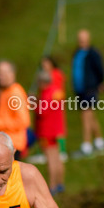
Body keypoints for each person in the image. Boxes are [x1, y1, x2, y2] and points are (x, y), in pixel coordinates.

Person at [0, 61, 31, 160]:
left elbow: (23, 121)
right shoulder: (5, 91)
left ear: (11, 74)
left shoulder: (15, 94)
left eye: (2, 73)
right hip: (3, 143)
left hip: (11, 144)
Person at [71, 29, 104, 157]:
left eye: (84, 39)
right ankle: (99, 141)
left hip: (90, 88)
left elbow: (100, 69)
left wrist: (100, 82)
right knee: (90, 115)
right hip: (80, 89)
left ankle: (87, 145)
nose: (82, 41)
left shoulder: (93, 53)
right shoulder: (77, 52)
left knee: (86, 115)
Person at [34, 62, 66, 194]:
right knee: (57, 158)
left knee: (51, 160)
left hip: (46, 132)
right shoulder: (57, 91)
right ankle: (60, 183)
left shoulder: (46, 95)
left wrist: (34, 104)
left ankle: (52, 186)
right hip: (57, 130)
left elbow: (42, 112)